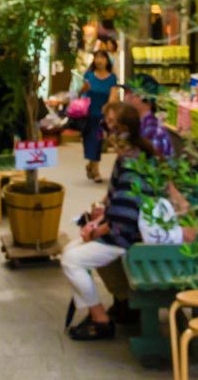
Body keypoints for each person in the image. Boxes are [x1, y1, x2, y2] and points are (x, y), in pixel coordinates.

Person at [60, 101, 153, 341]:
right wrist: (99, 217)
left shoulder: (131, 162)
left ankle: (99, 318)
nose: (104, 129)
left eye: (109, 124)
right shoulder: (133, 155)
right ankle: (101, 311)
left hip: (126, 236)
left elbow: (124, 218)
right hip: (126, 231)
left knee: (71, 260)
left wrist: (96, 230)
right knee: (71, 251)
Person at [79, 49, 120, 183]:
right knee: (91, 141)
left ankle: (92, 166)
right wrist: (83, 89)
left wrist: (109, 108)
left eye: (102, 57)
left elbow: (114, 95)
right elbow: (81, 93)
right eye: (97, 57)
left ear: (107, 60)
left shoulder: (112, 78)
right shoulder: (89, 75)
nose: (99, 60)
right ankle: (94, 168)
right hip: (89, 114)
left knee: (98, 142)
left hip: (103, 115)